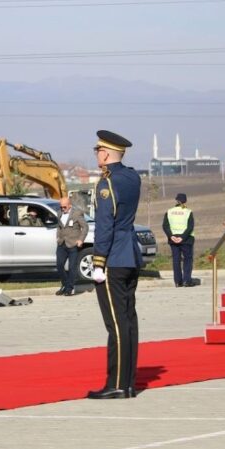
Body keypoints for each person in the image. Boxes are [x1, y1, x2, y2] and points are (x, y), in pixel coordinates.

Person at [87, 130, 142, 400]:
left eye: (97, 150)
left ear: (105, 154)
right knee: (129, 321)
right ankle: (129, 382)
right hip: (131, 254)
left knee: (117, 325)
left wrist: (98, 261)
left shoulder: (106, 184)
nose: (96, 154)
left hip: (114, 259)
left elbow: (105, 226)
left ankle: (117, 384)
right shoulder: (132, 177)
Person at [55, 197, 88, 296]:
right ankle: (65, 284)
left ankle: (70, 288)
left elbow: (85, 227)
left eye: (64, 207)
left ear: (69, 205)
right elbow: (59, 226)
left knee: (72, 267)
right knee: (59, 265)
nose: (62, 209)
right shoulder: (59, 213)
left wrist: (81, 239)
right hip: (62, 243)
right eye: (61, 207)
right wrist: (57, 236)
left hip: (73, 243)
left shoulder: (77, 213)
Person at [162, 193, 195, 287]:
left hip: (173, 239)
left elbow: (165, 225)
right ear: (185, 201)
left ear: (176, 200)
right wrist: (182, 237)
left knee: (176, 260)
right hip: (186, 239)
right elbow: (190, 227)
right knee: (187, 260)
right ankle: (187, 281)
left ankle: (177, 281)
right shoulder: (188, 212)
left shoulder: (169, 211)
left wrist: (171, 236)